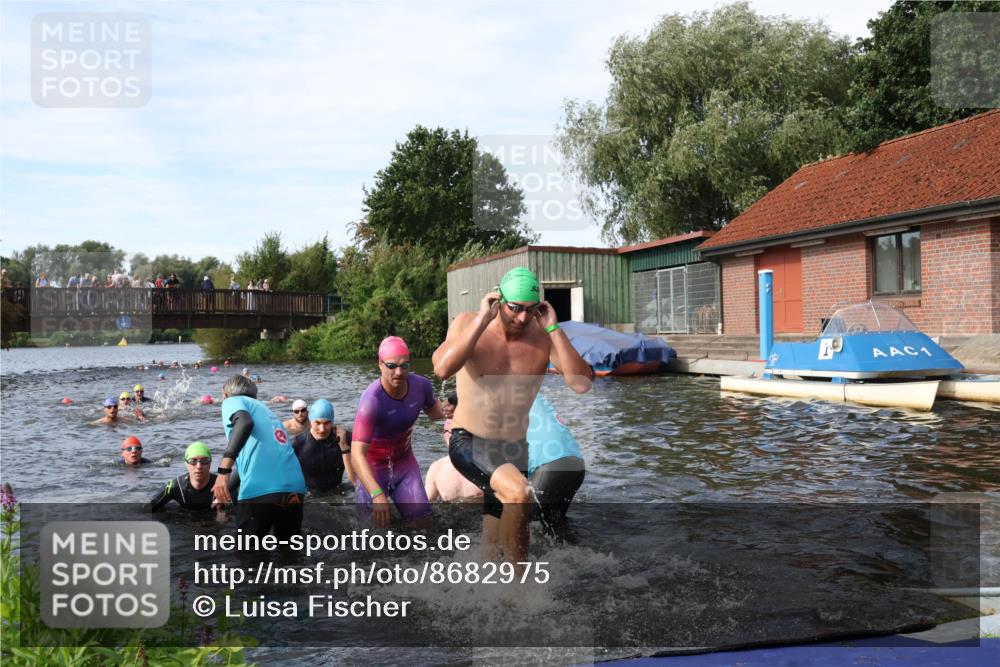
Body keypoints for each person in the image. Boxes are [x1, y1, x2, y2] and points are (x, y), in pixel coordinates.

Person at [431, 267, 592, 564]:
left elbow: (581, 383)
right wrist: (482, 320)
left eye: (530, 311)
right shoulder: (468, 323)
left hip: (515, 450)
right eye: (514, 308)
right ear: (498, 299)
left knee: (491, 546)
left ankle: (482, 588)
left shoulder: (543, 337)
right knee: (519, 494)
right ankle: (520, 592)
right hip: (470, 440)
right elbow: (441, 368)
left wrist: (554, 329)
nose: (521, 318)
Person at [352, 336, 445, 527]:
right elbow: (357, 454)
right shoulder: (371, 401)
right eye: (392, 366)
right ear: (380, 365)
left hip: (404, 466)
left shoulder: (421, 386)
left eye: (404, 365)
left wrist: (459, 405)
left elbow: (438, 414)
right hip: (374, 469)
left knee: (423, 524)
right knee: (372, 537)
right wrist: (377, 494)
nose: (399, 372)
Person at [211, 375, 306, 539]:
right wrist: (224, 493)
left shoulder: (232, 401)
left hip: (260, 490)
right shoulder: (269, 414)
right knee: (290, 555)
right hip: (295, 488)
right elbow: (252, 462)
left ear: (225, 393)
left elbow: (244, 423)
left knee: (249, 557)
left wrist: (223, 472)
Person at [291, 399, 355, 494]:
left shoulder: (345, 438)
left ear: (332, 421)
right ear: (310, 420)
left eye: (327, 423)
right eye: (317, 423)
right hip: (310, 498)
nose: (322, 429)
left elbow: (355, 482)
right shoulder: (297, 444)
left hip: (338, 494)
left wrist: (344, 448)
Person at [149, 441, 219, 511]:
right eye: (193, 461)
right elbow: (147, 509)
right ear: (186, 464)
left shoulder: (222, 486)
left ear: (210, 463)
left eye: (204, 461)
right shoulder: (175, 486)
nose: (199, 466)